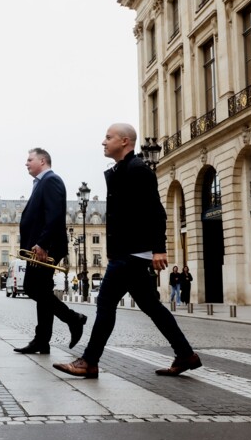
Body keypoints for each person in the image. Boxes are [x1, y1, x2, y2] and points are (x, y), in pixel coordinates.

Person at [53, 123, 202, 378]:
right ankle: (185, 354)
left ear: (124, 141)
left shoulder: (138, 170)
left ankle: (89, 361)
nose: (103, 142)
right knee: (152, 307)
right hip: (127, 252)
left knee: (105, 303)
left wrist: (158, 249)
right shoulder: (121, 171)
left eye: (108, 137)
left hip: (130, 253)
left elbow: (156, 212)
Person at [14, 147, 87, 355]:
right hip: (39, 247)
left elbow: (54, 215)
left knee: (32, 287)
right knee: (42, 291)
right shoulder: (41, 183)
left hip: (45, 248)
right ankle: (42, 340)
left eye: (30, 159)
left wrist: (43, 244)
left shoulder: (51, 181)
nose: (26, 163)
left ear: (43, 161)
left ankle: (74, 319)